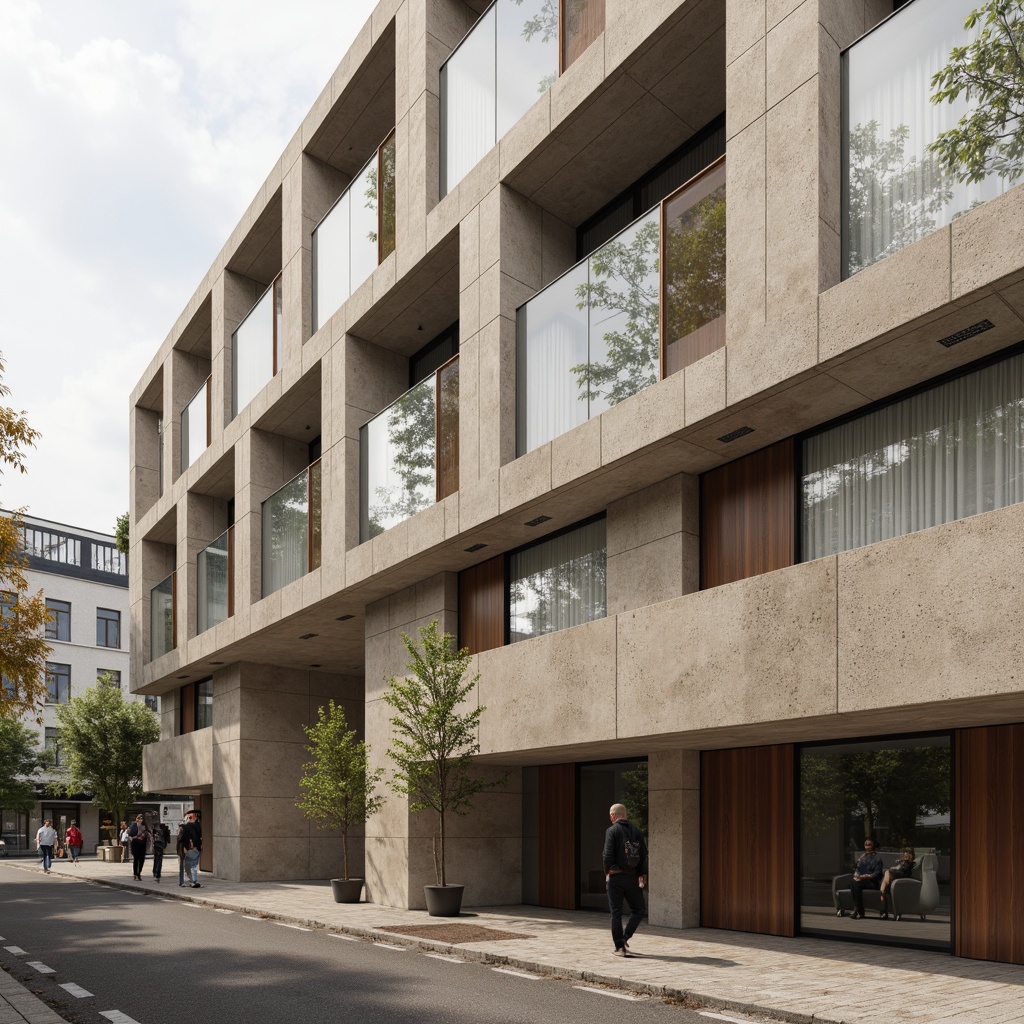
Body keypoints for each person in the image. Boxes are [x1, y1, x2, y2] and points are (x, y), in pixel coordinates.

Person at [602, 803, 648, 957]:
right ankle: (626, 936)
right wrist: (642, 874)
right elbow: (643, 854)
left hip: (616, 876)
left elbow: (607, 855)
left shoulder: (612, 830)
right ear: (625, 815)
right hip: (632, 877)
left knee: (616, 912)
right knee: (639, 909)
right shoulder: (636, 831)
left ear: (613, 815)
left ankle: (619, 947)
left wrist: (607, 872)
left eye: (610, 815)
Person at [849, 836, 884, 919]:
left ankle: (858, 910)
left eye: (869, 845)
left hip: (873, 882)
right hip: (862, 880)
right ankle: (859, 910)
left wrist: (866, 876)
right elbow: (856, 869)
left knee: (856, 884)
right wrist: (857, 863)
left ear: (873, 846)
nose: (867, 847)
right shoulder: (863, 857)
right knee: (853, 882)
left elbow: (877, 874)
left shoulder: (877, 858)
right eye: (866, 845)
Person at [878, 846, 915, 919]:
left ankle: (881, 893)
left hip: (903, 874)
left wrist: (903, 862)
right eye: (905, 853)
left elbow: (906, 870)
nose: (906, 855)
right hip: (899, 874)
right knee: (886, 884)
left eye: (908, 853)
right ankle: (884, 911)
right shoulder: (903, 862)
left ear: (911, 855)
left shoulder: (911, 863)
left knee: (887, 872)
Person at [180, 808, 202, 888]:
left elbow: (183, 837)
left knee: (189, 865)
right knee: (194, 865)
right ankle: (193, 880)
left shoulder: (189, 825)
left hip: (191, 848)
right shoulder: (198, 825)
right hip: (196, 848)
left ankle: (191, 881)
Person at [128, 814, 150, 881]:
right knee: (136, 859)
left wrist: (145, 834)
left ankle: (139, 873)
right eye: (139, 818)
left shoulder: (144, 826)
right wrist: (136, 837)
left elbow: (148, 833)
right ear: (136, 819)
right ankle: (135, 874)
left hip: (142, 844)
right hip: (135, 844)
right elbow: (131, 834)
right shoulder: (134, 825)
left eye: (142, 819)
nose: (140, 820)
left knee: (142, 860)